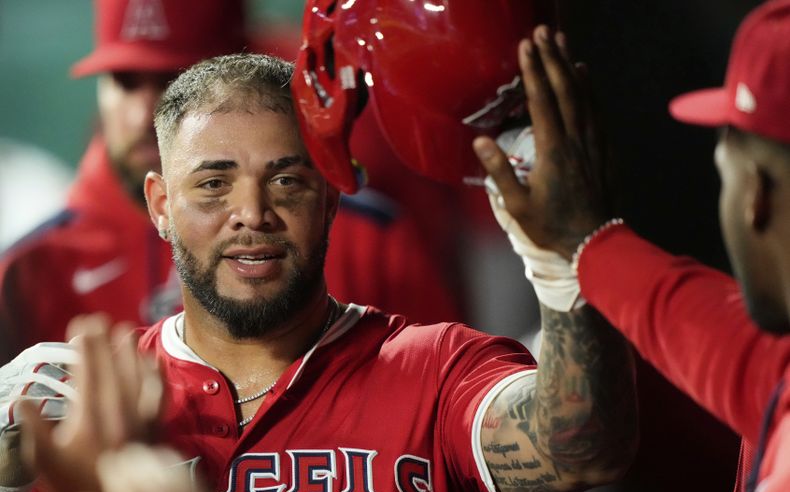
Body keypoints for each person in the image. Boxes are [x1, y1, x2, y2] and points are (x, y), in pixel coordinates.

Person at [9, 52, 638, 492]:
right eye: (213, 184)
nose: (251, 212)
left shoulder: (436, 370)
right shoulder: (93, 408)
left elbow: (578, 448)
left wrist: (567, 260)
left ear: (332, 198)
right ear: (161, 205)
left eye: (286, 181)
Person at [0, 0, 461, 364]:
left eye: (170, 79)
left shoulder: (368, 240)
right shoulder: (30, 268)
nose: (143, 113)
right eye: (124, 80)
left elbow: (441, 416)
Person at [472, 4, 790, 492]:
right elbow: (705, 324)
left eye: (727, 169)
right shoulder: (774, 362)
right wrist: (586, 245)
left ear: (755, 194)